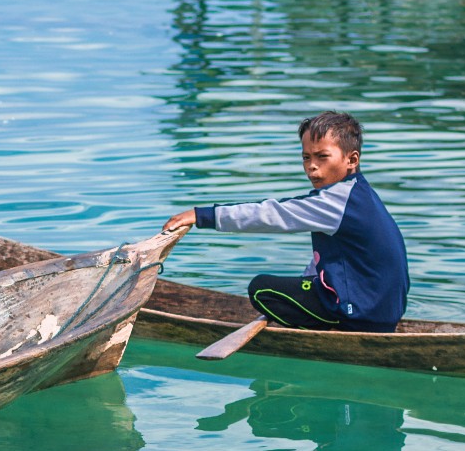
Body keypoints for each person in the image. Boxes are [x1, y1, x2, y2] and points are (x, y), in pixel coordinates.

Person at [164, 111, 409, 334]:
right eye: (306, 157)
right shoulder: (360, 193)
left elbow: (271, 214)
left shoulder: (335, 202)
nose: (312, 167)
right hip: (384, 312)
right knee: (298, 286)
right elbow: (325, 261)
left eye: (322, 157)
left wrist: (202, 216)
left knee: (261, 289)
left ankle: (332, 326)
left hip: (360, 314)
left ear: (351, 160)